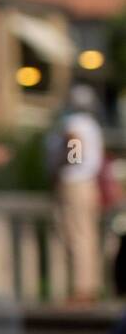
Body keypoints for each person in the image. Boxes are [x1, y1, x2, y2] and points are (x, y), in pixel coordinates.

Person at [50, 83, 105, 307]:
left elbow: (74, 148)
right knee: (87, 236)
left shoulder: (74, 123)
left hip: (74, 182)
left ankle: (82, 290)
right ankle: (88, 287)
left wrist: (63, 163)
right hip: (87, 183)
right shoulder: (92, 125)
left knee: (77, 236)